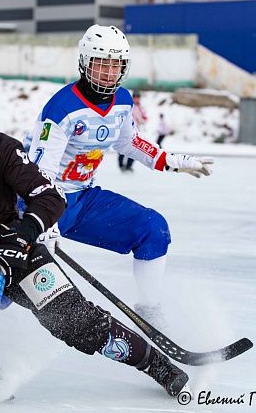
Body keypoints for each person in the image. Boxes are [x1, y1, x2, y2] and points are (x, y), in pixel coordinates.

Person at [0, 81, 190, 404]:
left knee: (76, 322)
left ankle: (160, 367)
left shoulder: (3, 151)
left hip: (18, 254)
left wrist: (24, 233)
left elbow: (49, 197)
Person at [24, 24, 214, 329]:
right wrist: (43, 219)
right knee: (15, 270)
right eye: (101, 64)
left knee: (153, 228)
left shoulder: (123, 101)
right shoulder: (62, 108)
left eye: (116, 65)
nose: (109, 73)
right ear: (85, 63)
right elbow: (39, 170)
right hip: (45, 202)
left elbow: (128, 142)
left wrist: (170, 161)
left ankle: (149, 312)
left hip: (84, 200)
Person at [117, 90, 147, 171]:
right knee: (123, 147)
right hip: (125, 130)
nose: (137, 99)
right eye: (135, 97)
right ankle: (121, 165)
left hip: (135, 131)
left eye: (138, 97)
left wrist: (141, 120)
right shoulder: (129, 105)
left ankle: (129, 165)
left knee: (135, 149)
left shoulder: (141, 107)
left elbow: (145, 117)